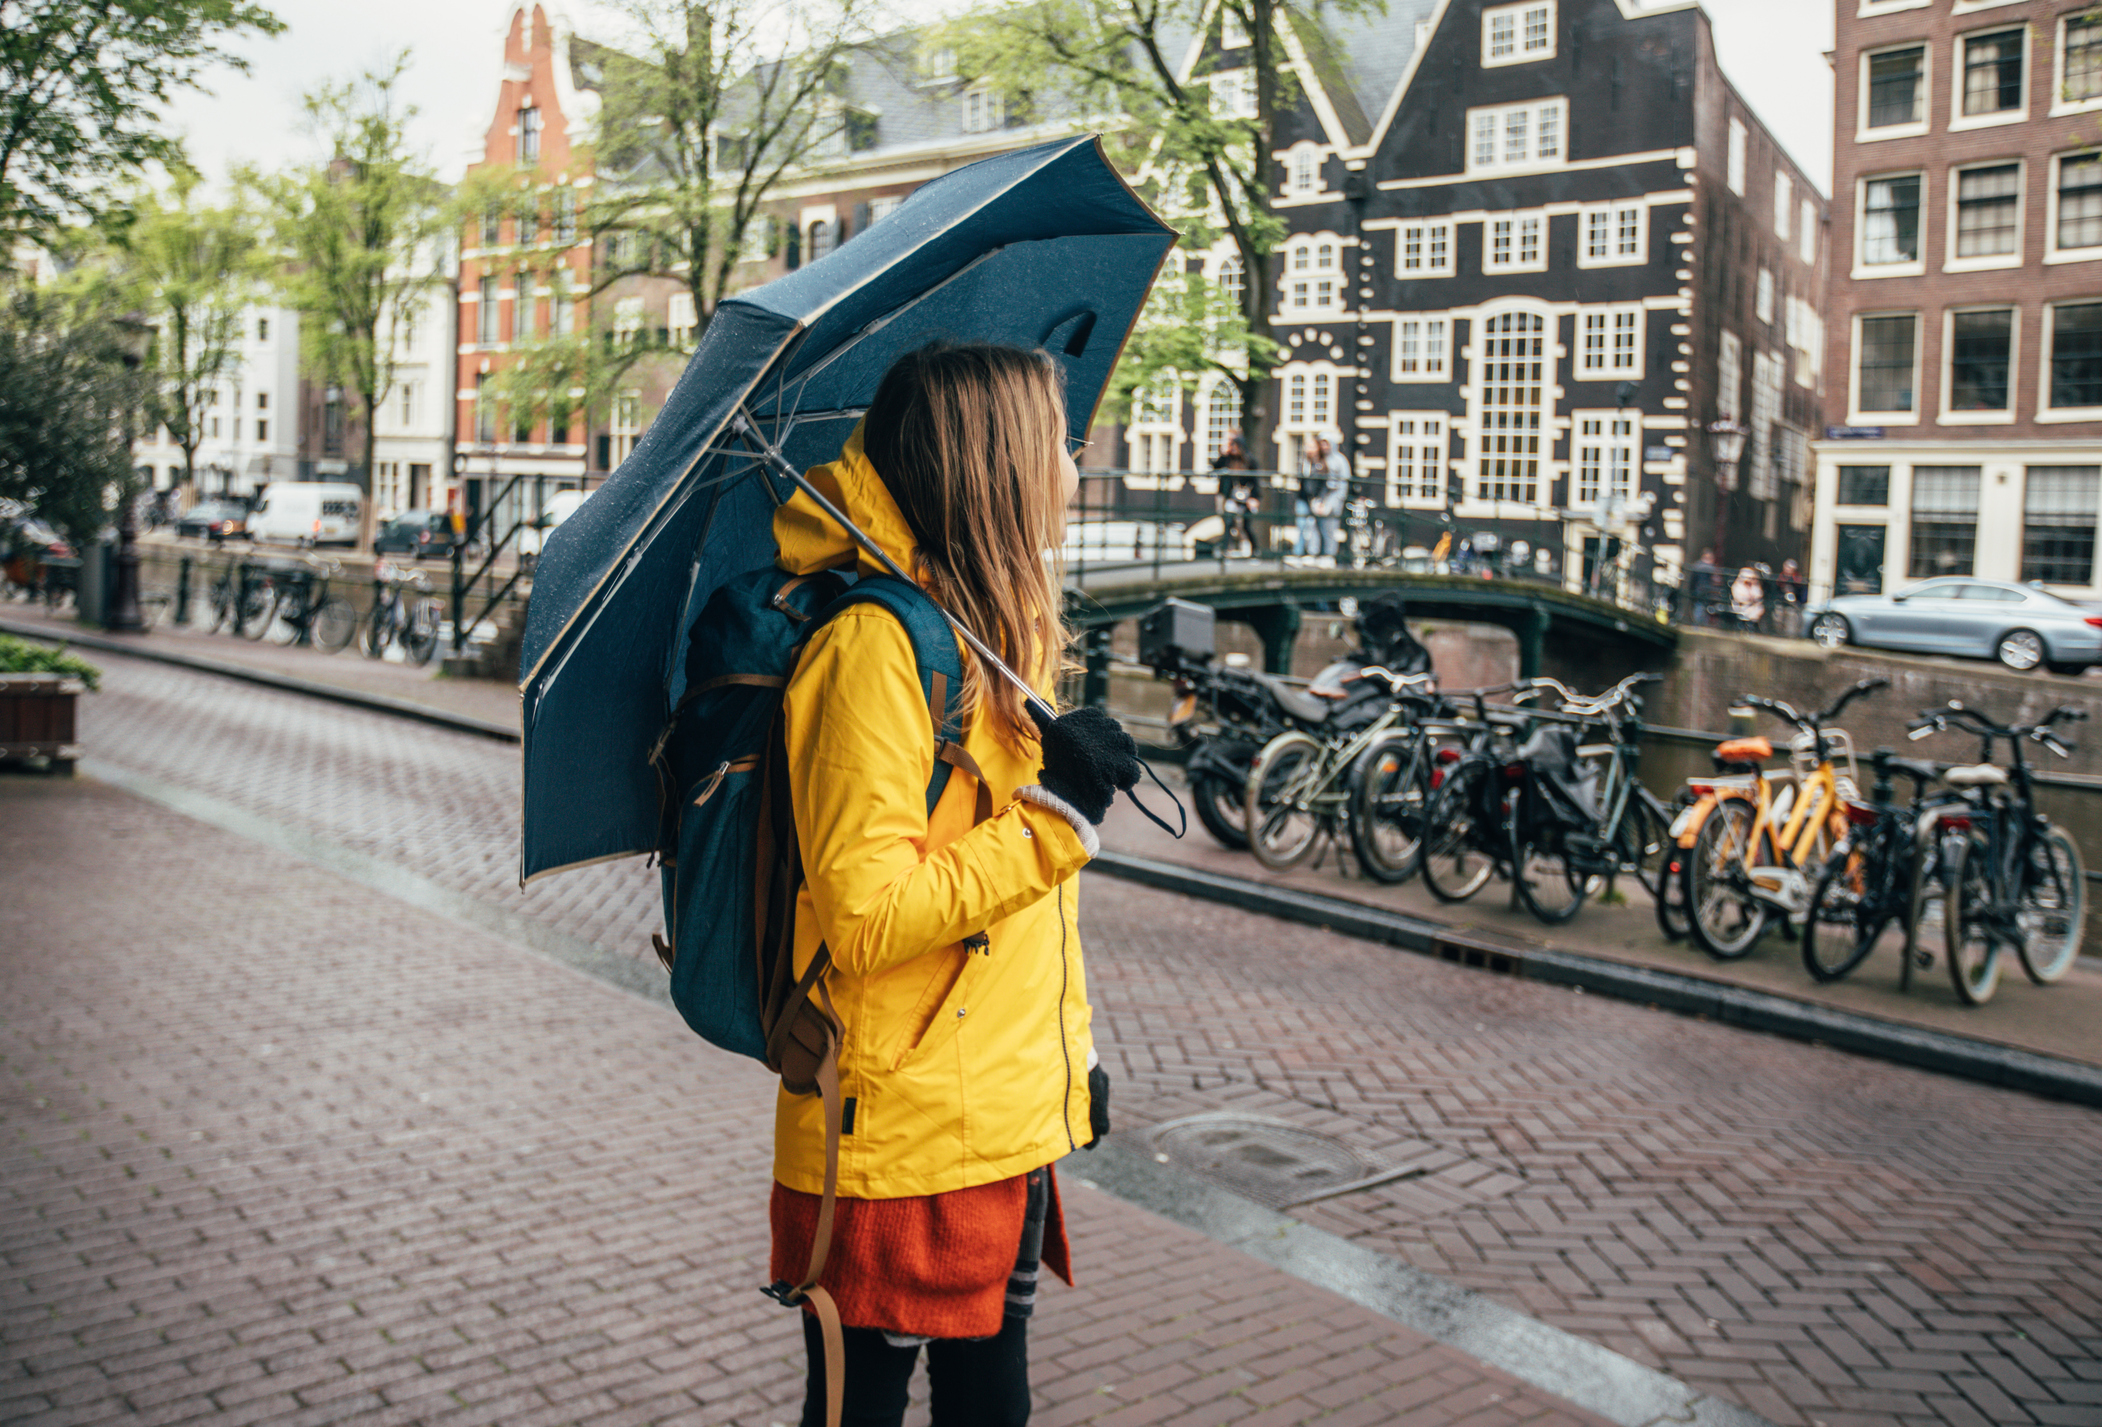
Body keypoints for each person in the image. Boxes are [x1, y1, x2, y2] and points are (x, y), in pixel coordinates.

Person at [770, 343, 1145, 1427]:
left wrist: (1069, 1060)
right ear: (994, 465)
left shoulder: (984, 640)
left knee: (992, 1401)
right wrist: (1055, 816)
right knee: (863, 1411)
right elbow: (867, 913)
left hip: (991, 1117)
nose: (1072, 465)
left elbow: (1016, 921)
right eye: (1057, 442)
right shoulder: (875, 648)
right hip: (892, 1135)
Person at [1297, 434, 1349, 562]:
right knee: (1314, 526)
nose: (1324, 446)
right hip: (1321, 498)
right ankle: (1313, 553)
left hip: (1334, 498)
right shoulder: (1319, 460)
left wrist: (1333, 502)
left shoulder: (1339, 460)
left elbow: (1343, 483)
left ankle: (1329, 555)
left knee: (1329, 528)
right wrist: (1318, 501)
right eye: (1322, 443)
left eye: (1327, 443)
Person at [1212, 432, 1259, 557]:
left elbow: (1255, 481)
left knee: (1246, 525)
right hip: (1231, 497)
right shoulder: (1227, 460)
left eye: (1235, 446)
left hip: (1246, 497)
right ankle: (1227, 550)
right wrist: (1222, 454)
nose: (1233, 449)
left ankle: (1254, 551)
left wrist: (1254, 498)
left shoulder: (1250, 461)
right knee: (1228, 522)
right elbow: (1215, 468)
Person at [1687, 547, 1722, 627]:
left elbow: (1692, 581)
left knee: (1698, 612)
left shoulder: (1696, 566)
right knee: (1704, 613)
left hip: (1698, 593)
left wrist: (1691, 592)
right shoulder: (1712, 568)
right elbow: (1717, 581)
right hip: (1707, 594)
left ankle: (1696, 628)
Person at [1729, 564, 1766, 631]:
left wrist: (1752, 596)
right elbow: (1739, 598)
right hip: (1742, 606)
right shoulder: (1737, 586)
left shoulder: (1754, 585)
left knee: (1759, 609)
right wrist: (1749, 598)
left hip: (1754, 605)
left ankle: (1754, 627)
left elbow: (1759, 595)